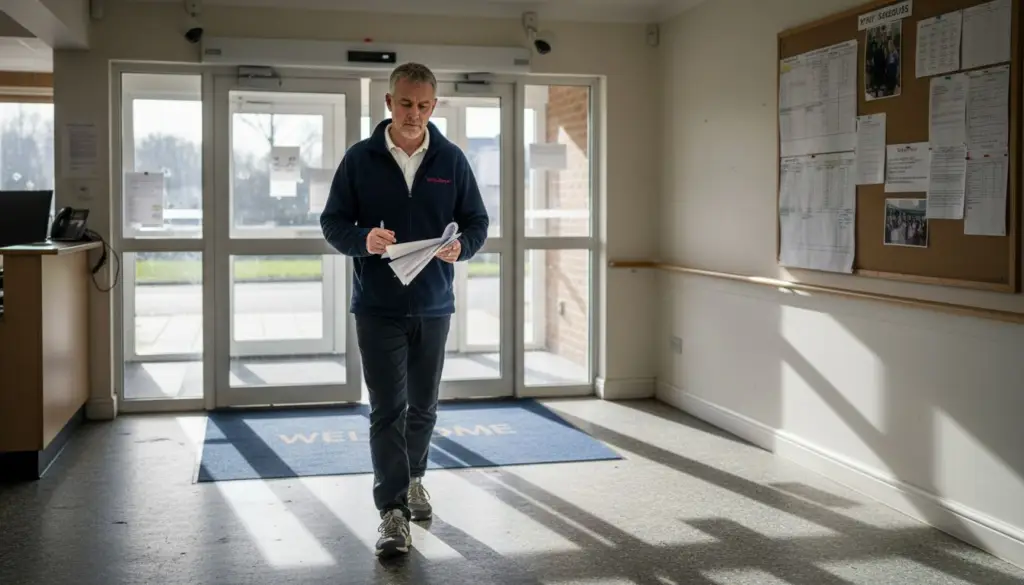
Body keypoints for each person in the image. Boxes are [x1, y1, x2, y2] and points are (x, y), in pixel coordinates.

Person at [319, 62, 489, 558]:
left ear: (433, 106)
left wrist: (464, 248)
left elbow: (476, 221)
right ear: (389, 103)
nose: (414, 114)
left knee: (424, 407)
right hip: (377, 307)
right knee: (387, 410)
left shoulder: (451, 160)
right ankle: (392, 512)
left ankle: (416, 479)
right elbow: (332, 223)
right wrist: (362, 240)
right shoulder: (360, 159)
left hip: (434, 305)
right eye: (406, 103)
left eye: (424, 105)